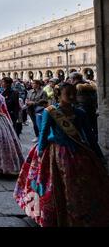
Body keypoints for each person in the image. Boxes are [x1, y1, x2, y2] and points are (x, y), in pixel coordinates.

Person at [14, 83, 109, 227]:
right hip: (56, 152)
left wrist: (98, 154)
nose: (72, 97)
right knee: (52, 186)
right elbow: (43, 133)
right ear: (58, 95)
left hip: (78, 152)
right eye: (68, 94)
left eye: (73, 93)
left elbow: (89, 135)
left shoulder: (80, 112)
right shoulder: (50, 111)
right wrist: (40, 152)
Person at [70, 72, 99, 142]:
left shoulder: (75, 87)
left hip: (80, 111)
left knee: (83, 133)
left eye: (71, 79)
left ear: (73, 79)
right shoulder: (90, 86)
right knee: (93, 131)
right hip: (92, 110)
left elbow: (73, 100)